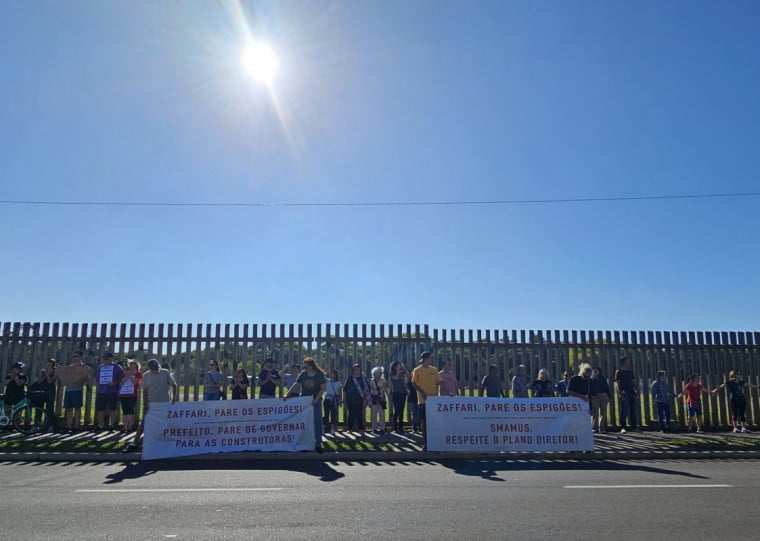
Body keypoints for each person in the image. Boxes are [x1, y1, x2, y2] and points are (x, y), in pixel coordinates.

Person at [125, 359, 177, 452]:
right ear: (150, 368)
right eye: (154, 368)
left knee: (165, 424)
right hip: (151, 404)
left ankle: (165, 443)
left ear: (159, 366)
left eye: (157, 367)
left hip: (164, 404)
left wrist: (174, 398)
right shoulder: (146, 375)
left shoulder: (165, 373)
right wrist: (145, 403)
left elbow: (173, 385)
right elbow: (144, 390)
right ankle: (134, 444)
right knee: (143, 425)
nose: (156, 370)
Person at [284, 357, 326, 453]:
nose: (304, 368)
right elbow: (296, 384)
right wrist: (288, 394)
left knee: (317, 422)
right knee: (304, 422)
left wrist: (316, 399)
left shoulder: (319, 374)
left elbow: (323, 388)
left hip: (315, 401)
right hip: (304, 401)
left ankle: (318, 443)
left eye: (306, 366)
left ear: (311, 366)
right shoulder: (303, 374)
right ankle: (304, 443)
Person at [411, 351, 441, 450]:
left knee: (434, 422)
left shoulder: (434, 369)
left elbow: (439, 382)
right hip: (423, 401)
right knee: (424, 423)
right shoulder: (417, 370)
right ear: (426, 358)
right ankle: (425, 443)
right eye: (430, 358)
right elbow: (414, 383)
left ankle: (434, 442)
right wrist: (422, 392)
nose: (431, 359)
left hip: (434, 400)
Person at [55, 351, 91, 432]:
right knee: (68, 409)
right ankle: (69, 425)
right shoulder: (69, 367)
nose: (74, 358)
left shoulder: (84, 367)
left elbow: (87, 378)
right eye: (73, 356)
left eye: (76, 356)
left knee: (77, 408)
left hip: (77, 390)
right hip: (68, 390)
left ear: (81, 357)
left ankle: (76, 425)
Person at [95, 352, 124, 431]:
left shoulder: (117, 367)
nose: (105, 360)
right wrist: (98, 388)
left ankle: (112, 426)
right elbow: (97, 379)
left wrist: (114, 383)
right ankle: (100, 425)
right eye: (104, 358)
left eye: (107, 358)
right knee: (100, 409)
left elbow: (122, 379)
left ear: (111, 358)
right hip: (101, 392)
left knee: (112, 409)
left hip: (112, 391)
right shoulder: (101, 367)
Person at [343, 364, 370, 433]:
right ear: (353, 370)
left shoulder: (364, 378)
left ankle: (361, 429)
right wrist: (344, 399)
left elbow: (368, 388)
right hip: (350, 399)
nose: (357, 370)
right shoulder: (350, 378)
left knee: (359, 414)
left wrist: (366, 398)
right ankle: (350, 429)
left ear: (361, 369)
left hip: (360, 399)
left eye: (358, 368)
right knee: (351, 414)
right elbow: (345, 389)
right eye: (355, 369)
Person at [614, 356, 638, 433]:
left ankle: (634, 427)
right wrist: (620, 394)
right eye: (627, 361)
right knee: (624, 411)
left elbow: (633, 382)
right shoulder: (618, 372)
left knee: (633, 411)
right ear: (623, 362)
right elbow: (617, 384)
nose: (629, 363)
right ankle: (623, 428)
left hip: (632, 393)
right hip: (624, 394)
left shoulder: (630, 372)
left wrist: (637, 391)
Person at [118, 360, 142, 433]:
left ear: (136, 365)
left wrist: (128, 376)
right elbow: (120, 384)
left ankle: (130, 427)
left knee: (130, 410)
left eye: (133, 363)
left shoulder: (138, 373)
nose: (131, 365)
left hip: (132, 394)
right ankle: (125, 427)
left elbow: (134, 383)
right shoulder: (124, 373)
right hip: (123, 394)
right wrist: (125, 377)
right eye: (130, 364)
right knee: (125, 411)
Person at [589, 366, 612, 433]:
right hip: (594, 396)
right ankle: (594, 428)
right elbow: (589, 390)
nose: (595, 372)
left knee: (603, 412)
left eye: (597, 370)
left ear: (599, 372)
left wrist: (608, 397)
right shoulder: (590, 380)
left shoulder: (603, 379)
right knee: (595, 412)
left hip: (603, 395)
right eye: (594, 370)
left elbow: (607, 388)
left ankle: (602, 428)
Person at [389, 361, 408, 432]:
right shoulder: (392, 373)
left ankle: (401, 427)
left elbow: (410, 376)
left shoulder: (402, 373)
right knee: (397, 410)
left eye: (399, 365)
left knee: (401, 411)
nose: (399, 366)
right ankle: (394, 427)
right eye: (398, 365)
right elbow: (396, 378)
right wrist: (397, 370)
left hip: (403, 394)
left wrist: (403, 368)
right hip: (396, 394)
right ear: (394, 367)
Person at [368, 366, 388, 433]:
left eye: (380, 373)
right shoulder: (372, 381)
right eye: (377, 373)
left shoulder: (383, 380)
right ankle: (374, 428)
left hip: (381, 398)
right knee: (373, 414)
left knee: (382, 414)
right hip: (374, 398)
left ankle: (382, 428)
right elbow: (370, 390)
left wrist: (386, 397)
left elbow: (385, 389)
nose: (379, 374)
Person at [323, 369, 343, 435]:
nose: (332, 375)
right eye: (331, 373)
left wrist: (340, 400)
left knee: (333, 415)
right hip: (327, 399)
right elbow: (323, 377)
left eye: (334, 373)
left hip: (335, 400)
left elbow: (340, 392)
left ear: (336, 375)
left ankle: (332, 428)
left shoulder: (338, 382)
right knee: (326, 414)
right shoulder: (327, 381)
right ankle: (323, 428)